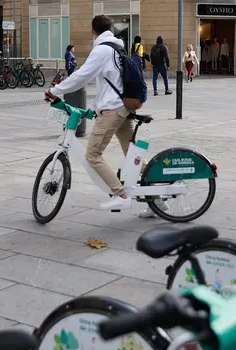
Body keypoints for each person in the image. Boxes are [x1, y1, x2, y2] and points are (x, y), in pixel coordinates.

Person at [44, 15, 156, 213]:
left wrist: (55, 90)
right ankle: (157, 196)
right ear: (111, 29)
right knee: (132, 154)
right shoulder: (117, 48)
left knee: (93, 154)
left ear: (92, 30)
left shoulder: (102, 50)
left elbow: (81, 76)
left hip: (113, 109)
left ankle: (120, 194)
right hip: (122, 107)